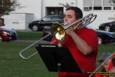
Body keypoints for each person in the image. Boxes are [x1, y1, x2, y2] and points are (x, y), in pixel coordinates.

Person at [50, 7, 98, 77]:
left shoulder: (91, 33)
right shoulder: (60, 33)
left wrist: (72, 33)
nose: (65, 19)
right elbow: (51, 53)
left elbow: (86, 51)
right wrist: (61, 41)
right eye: (65, 16)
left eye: (69, 17)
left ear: (78, 20)